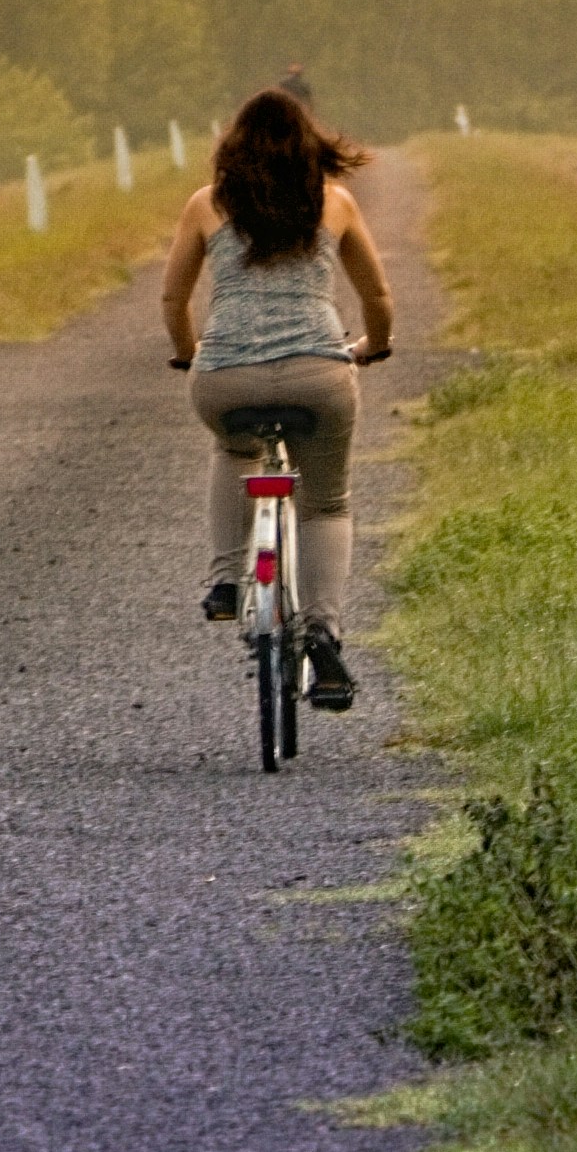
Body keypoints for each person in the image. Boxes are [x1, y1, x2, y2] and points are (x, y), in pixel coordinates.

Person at [161, 87, 395, 708]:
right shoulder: (334, 202)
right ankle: (322, 633)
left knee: (232, 449)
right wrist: (374, 345)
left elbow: (171, 300)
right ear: (310, 147)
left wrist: (190, 355)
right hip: (319, 375)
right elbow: (378, 299)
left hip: (225, 378)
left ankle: (225, 582)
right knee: (325, 504)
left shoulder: (206, 206)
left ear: (231, 150)